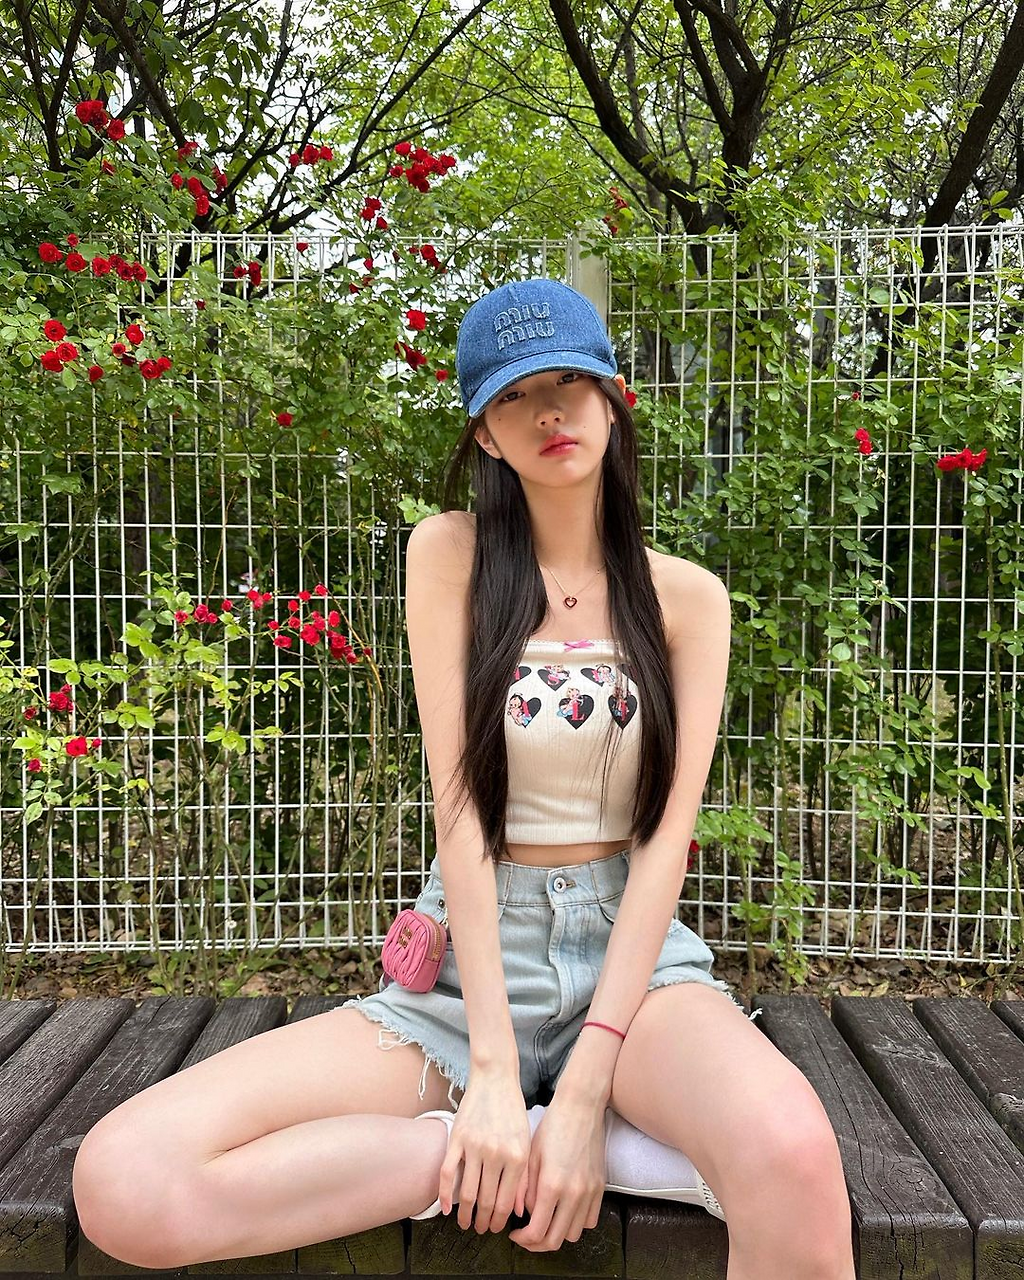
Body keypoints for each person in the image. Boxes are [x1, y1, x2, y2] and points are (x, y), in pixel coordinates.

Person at [70, 277, 855, 1280]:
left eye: (569, 382)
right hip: (463, 978)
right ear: (485, 433)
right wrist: (490, 1073)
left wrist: (585, 1090)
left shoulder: (688, 599)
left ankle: (581, 1127)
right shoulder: (449, 555)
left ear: (613, 397)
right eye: (515, 395)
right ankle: (488, 1152)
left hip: (636, 972)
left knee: (794, 1153)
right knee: (127, 1179)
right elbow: (461, 809)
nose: (550, 412)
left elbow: (665, 842)